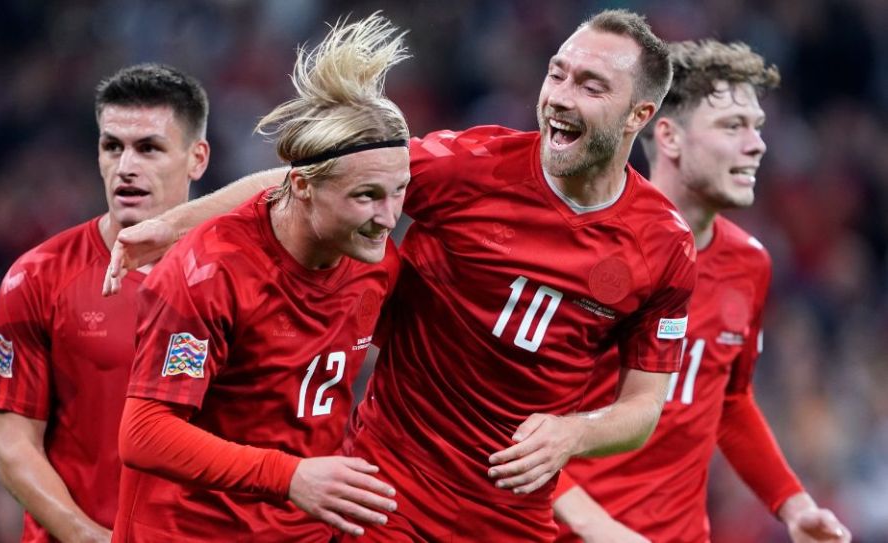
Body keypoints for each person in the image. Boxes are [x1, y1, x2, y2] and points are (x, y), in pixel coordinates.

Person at [105, 9, 695, 541]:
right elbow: (330, 175)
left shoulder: (663, 245)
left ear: (639, 114)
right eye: (557, 74)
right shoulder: (472, 168)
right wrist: (173, 226)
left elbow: (643, 408)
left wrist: (575, 434)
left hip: (513, 518)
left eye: (590, 87)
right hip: (389, 498)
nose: (561, 97)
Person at [110, 13, 408, 542]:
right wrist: (289, 475)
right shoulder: (211, 273)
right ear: (305, 187)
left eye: (398, 193)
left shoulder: (374, 254)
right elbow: (145, 434)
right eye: (366, 197)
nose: (388, 217)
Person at [550, 39, 851, 543]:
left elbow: (729, 400)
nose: (756, 145)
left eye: (757, 128)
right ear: (668, 136)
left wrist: (792, 503)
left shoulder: (750, 263)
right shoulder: (587, 249)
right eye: (733, 127)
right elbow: (502, 413)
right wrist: (598, 527)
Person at [0, 63, 211, 542]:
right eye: (112, 147)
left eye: (149, 148)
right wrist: (88, 536)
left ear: (197, 158)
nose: (126, 167)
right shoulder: (38, 277)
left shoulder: (238, 277)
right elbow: (14, 448)